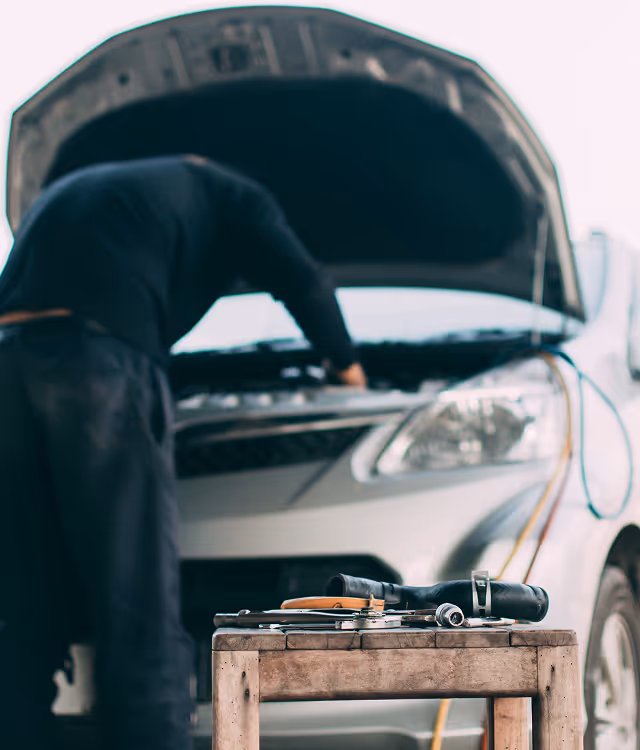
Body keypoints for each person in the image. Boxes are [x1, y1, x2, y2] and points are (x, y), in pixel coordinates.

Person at [0, 155, 367, 750]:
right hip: (97, 363)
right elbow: (303, 279)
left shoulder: (112, 189)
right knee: (137, 605)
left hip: (8, 359)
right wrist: (349, 371)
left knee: (22, 605)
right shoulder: (240, 196)